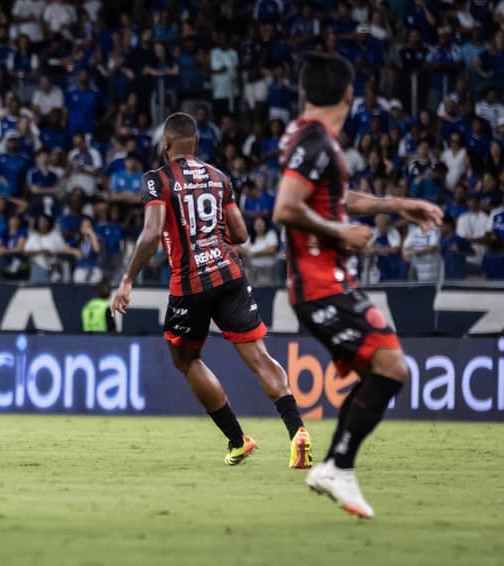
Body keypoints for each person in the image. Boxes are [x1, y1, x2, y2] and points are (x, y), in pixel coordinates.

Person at [272, 53, 442, 518]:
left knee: (387, 369)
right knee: (393, 367)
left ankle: (336, 466)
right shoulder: (317, 140)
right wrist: (339, 233)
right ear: (350, 95)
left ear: (306, 92)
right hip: (320, 284)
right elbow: (286, 208)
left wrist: (395, 203)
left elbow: (334, 198)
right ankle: (336, 467)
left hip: (331, 282)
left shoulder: (306, 136)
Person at [111, 112, 311, 470]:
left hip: (190, 285)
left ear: (167, 144)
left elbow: (152, 232)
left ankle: (237, 440)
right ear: (196, 143)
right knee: (259, 358)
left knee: (185, 360)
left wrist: (127, 280)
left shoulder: (157, 180)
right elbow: (241, 234)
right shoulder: (219, 177)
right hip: (230, 274)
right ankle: (297, 432)